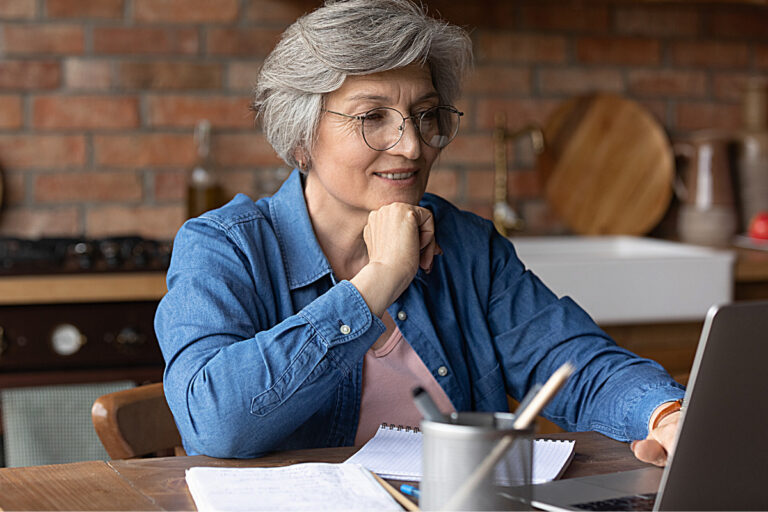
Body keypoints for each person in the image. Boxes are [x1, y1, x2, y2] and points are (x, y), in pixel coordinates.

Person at [155, 0, 685, 467]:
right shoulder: (224, 246)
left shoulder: (467, 245)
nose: (412, 145)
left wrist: (664, 414)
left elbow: (573, 364)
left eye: (425, 115)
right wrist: (380, 280)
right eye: (373, 117)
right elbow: (216, 424)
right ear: (301, 138)